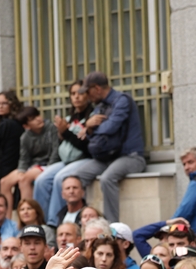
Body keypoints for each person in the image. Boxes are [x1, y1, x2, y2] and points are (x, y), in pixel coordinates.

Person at [49, 72, 146, 224]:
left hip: (130, 156)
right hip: (106, 157)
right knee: (74, 179)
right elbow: (86, 136)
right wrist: (88, 126)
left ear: (97, 89)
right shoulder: (100, 106)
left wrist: (90, 127)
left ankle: (111, 228)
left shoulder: (122, 101)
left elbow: (111, 127)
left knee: (107, 178)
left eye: (87, 92)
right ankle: (75, 222)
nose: (87, 96)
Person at [41, 80, 94, 223]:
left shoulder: (92, 117)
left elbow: (89, 147)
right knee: (42, 179)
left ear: (88, 95)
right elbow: (60, 146)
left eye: (80, 93)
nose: (76, 97)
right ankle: (39, 221)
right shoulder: (69, 117)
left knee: (60, 179)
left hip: (85, 158)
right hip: (66, 160)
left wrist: (67, 132)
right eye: (72, 93)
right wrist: (61, 132)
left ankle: (53, 223)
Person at [2, 105, 59, 204]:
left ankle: (28, 212)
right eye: (33, 119)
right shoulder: (25, 137)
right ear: (26, 126)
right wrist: (21, 171)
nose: (38, 119)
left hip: (47, 165)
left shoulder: (51, 128)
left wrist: (50, 168)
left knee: (24, 179)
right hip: (33, 165)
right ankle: (7, 218)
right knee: (4, 182)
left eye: (37, 115)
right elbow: (24, 158)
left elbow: (56, 151)